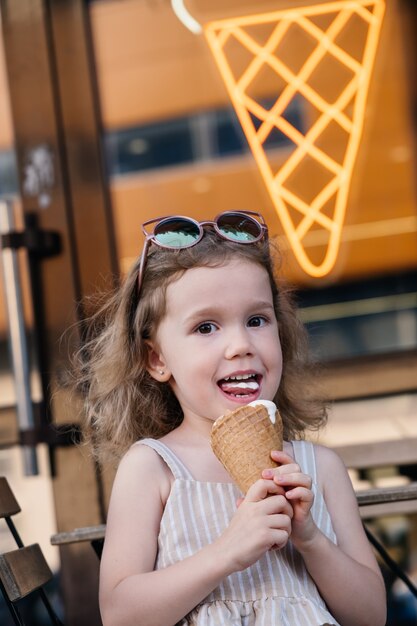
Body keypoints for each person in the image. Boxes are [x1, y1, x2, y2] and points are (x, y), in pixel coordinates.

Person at [75, 211, 386, 626]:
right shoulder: (153, 468)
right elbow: (120, 614)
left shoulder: (320, 468)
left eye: (257, 320)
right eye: (206, 327)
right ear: (157, 358)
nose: (241, 344)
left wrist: (310, 539)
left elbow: (372, 615)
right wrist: (227, 552)